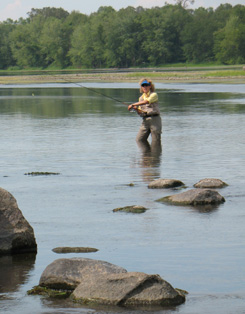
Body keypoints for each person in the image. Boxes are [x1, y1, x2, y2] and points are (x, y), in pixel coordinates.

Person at [128, 78, 162, 145]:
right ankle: (146, 155)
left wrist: (133, 104)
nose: (145, 87)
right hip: (145, 120)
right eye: (143, 85)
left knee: (156, 141)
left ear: (150, 86)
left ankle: (155, 154)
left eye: (146, 85)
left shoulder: (154, 94)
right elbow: (140, 112)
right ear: (141, 87)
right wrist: (136, 109)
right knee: (139, 140)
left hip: (154, 119)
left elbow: (146, 101)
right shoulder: (141, 98)